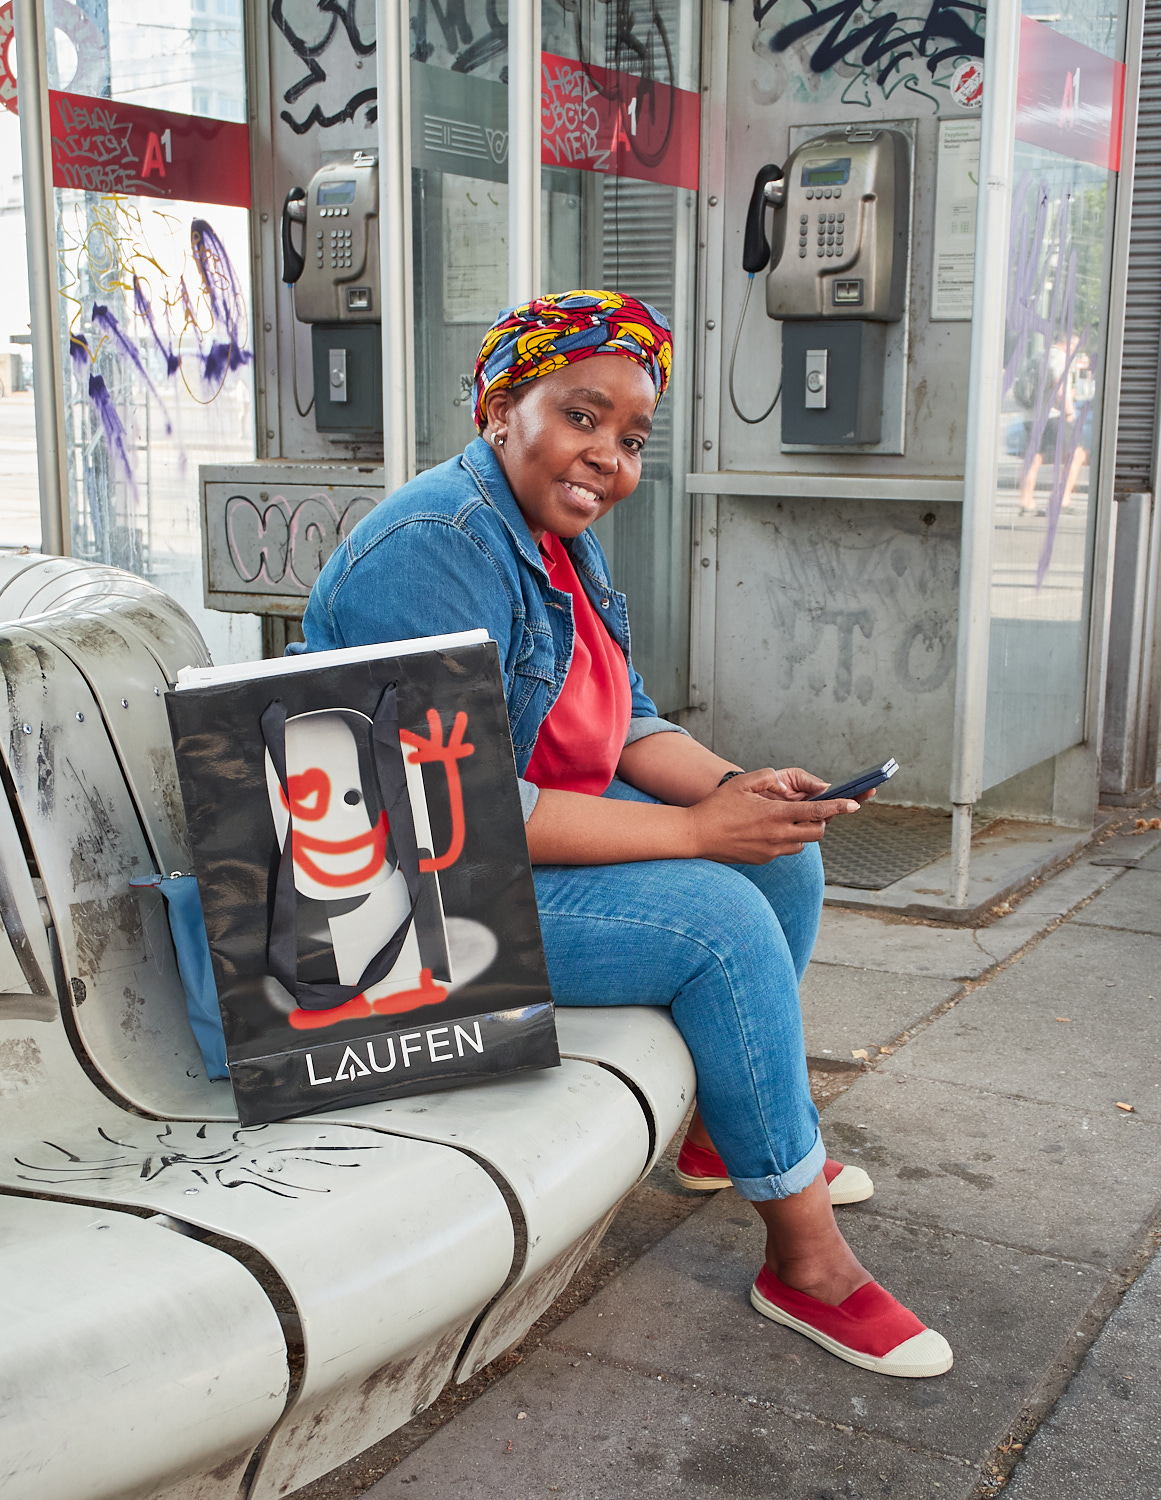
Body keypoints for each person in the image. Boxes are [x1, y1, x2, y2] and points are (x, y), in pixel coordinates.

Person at [296, 290, 952, 1379]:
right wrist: (695, 833)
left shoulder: (553, 536)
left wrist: (741, 791)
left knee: (780, 855)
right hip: (404, 907)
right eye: (582, 416)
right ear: (501, 407)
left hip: (503, 852)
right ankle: (808, 1264)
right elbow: (446, 812)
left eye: (631, 438)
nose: (606, 456)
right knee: (716, 921)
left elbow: (628, 717)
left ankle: (718, 1134)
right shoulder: (434, 548)